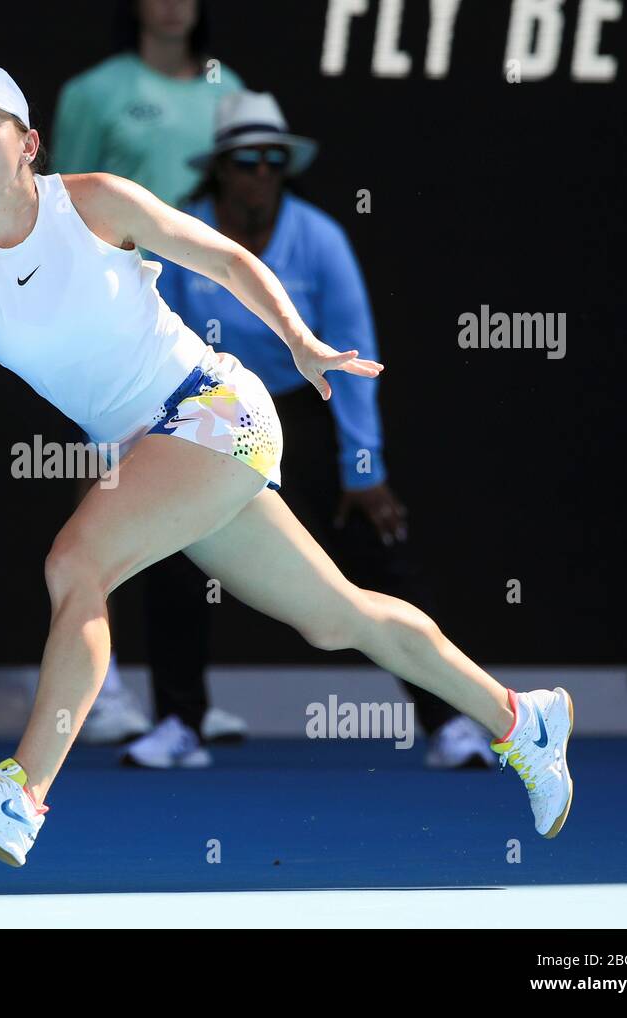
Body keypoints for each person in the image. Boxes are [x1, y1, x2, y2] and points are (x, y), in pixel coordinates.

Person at [0, 66, 574, 867]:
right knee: (338, 619)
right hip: (157, 449)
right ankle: (522, 719)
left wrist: (298, 340)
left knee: (78, 562)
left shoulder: (93, 201)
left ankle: (21, 793)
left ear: (27, 144)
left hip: (214, 406)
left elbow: (227, 261)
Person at [123, 90, 498, 770]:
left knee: (381, 551)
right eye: (246, 160)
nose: (260, 173)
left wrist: (364, 469)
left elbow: (355, 351)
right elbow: (155, 340)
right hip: (209, 410)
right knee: (172, 555)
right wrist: (154, 445)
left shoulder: (320, 238)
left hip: (306, 407)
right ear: (222, 171)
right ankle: (180, 724)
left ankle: (452, 724)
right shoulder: (185, 236)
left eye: (273, 161)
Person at [51, 0, 250, 743]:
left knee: (200, 493)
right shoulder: (93, 92)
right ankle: (98, 694)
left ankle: (183, 696)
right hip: (115, 318)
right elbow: (55, 202)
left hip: (205, 309)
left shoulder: (233, 93)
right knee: (103, 487)